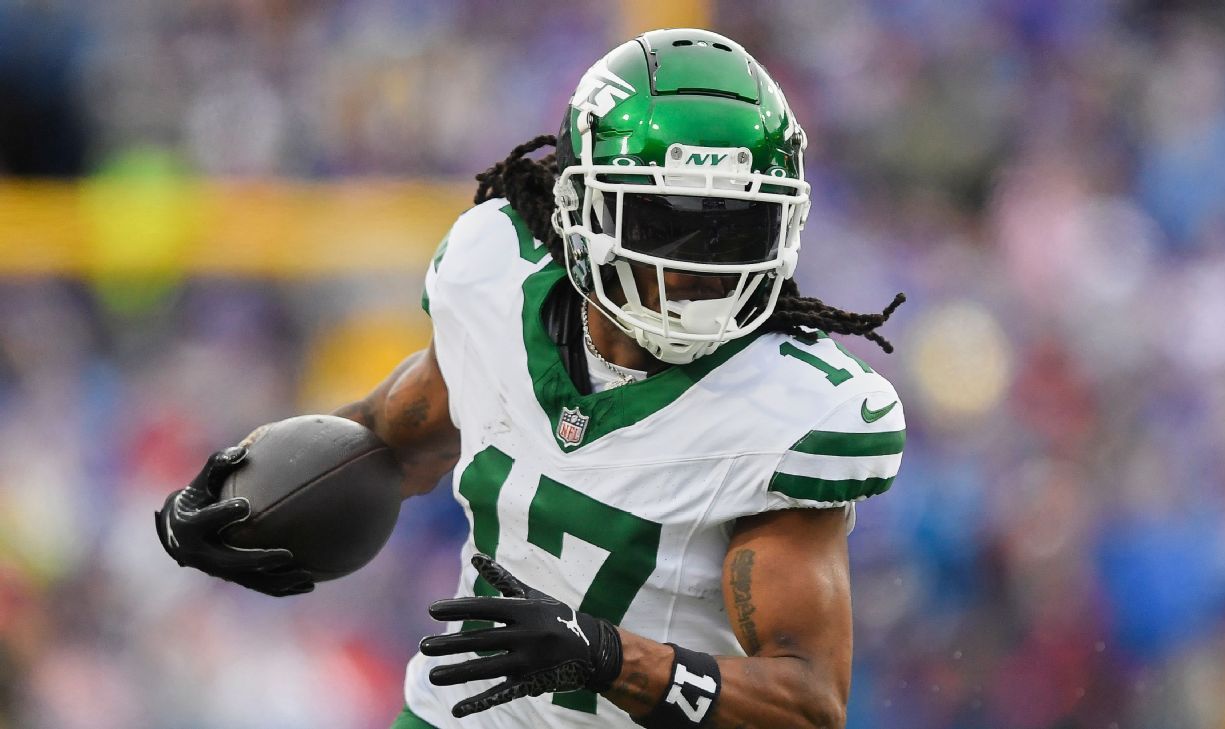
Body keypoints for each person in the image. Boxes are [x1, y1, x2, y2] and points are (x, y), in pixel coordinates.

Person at [156, 28, 906, 729]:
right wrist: (236, 501)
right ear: (581, 207)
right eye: (662, 224)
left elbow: (809, 701)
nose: (697, 267)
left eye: (734, 229)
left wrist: (610, 658)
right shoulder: (498, 280)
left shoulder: (788, 410)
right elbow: (390, 441)